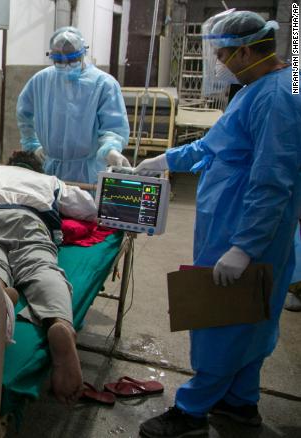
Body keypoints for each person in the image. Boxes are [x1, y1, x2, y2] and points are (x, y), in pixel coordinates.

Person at [136, 10, 301, 438]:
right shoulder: (255, 89)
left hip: (246, 230)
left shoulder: (278, 96)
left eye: (224, 53)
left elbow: (272, 179)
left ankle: (192, 413)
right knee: (250, 320)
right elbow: (215, 145)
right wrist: (165, 159)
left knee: (220, 321)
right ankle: (240, 405)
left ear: (247, 49)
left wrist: (244, 246)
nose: (220, 62)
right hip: (230, 225)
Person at [0, 150, 97, 406]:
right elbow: (88, 208)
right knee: (42, 266)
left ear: (8, 164)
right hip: (30, 221)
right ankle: (59, 323)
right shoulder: (50, 182)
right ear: (37, 169)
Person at [17, 26, 131, 186]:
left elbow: (113, 126)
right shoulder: (41, 81)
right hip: (50, 169)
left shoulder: (103, 84)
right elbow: (24, 113)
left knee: (86, 209)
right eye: (59, 62)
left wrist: (110, 150)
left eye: (72, 60)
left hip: (87, 172)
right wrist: (32, 144)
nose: (66, 65)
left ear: (83, 54)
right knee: (51, 208)